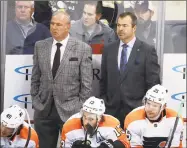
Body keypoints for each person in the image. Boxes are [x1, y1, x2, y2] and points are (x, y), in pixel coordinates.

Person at [30, 11, 93, 148]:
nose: (54, 27)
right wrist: (36, 100)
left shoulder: (83, 49)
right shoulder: (40, 46)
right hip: (43, 110)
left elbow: (86, 84)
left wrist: (79, 107)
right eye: (52, 24)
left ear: (68, 27)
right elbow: (35, 77)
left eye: (59, 24)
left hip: (71, 111)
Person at [100, 12, 160, 128]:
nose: (120, 29)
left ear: (134, 28)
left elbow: (153, 83)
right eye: (118, 25)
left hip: (137, 112)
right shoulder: (109, 50)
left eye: (125, 26)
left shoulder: (147, 51)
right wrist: (105, 102)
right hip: (112, 112)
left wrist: (147, 107)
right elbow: (104, 80)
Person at [70, 1, 116, 97]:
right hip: (74, 86)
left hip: (98, 86)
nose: (85, 17)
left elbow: (111, 63)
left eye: (90, 14)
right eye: (84, 13)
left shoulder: (108, 34)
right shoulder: (71, 30)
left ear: (98, 16)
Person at [61, 96, 130, 148]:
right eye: (84, 117)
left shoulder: (112, 123)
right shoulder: (69, 125)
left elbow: (126, 144)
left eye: (91, 119)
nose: (86, 123)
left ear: (100, 118)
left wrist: (110, 145)